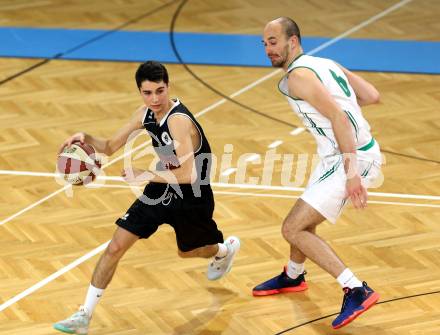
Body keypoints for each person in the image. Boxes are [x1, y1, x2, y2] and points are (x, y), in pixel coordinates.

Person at [53, 60, 240, 335]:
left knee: (187, 251)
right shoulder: (145, 114)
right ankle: (84, 315)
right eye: (147, 92)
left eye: (160, 91)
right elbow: (110, 146)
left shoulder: (178, 121)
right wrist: (86, 138)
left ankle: (224, 250)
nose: (154, 99)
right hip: (161, 186)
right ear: (140, 91)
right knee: (116, 246)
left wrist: (144, 175)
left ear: (168, 87)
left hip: (192, 195)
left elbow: (188, 175)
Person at [254, 17, 382, 329]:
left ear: (292, 41)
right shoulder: (326, 63)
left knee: (292, 228)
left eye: (274, 42)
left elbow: (338, 116)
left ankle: (355, 288)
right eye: (265, 44)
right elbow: (371, 95)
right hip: (337, 157)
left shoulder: (298, 77)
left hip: (349, 159)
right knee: (303, 220)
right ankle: (293, 276)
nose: (268, 50)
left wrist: (352, 175)